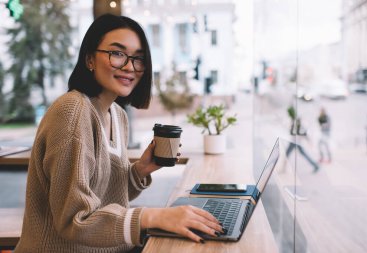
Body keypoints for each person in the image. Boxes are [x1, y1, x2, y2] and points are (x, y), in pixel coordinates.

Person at [15, 14, 223, 253]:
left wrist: (141, 170)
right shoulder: (72, 112)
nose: (129, 66)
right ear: (89, 59)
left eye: (138, 59)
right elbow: (75, 218)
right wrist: (153, 217)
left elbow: (103, 195)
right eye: (117, 53)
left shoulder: (117, 114)